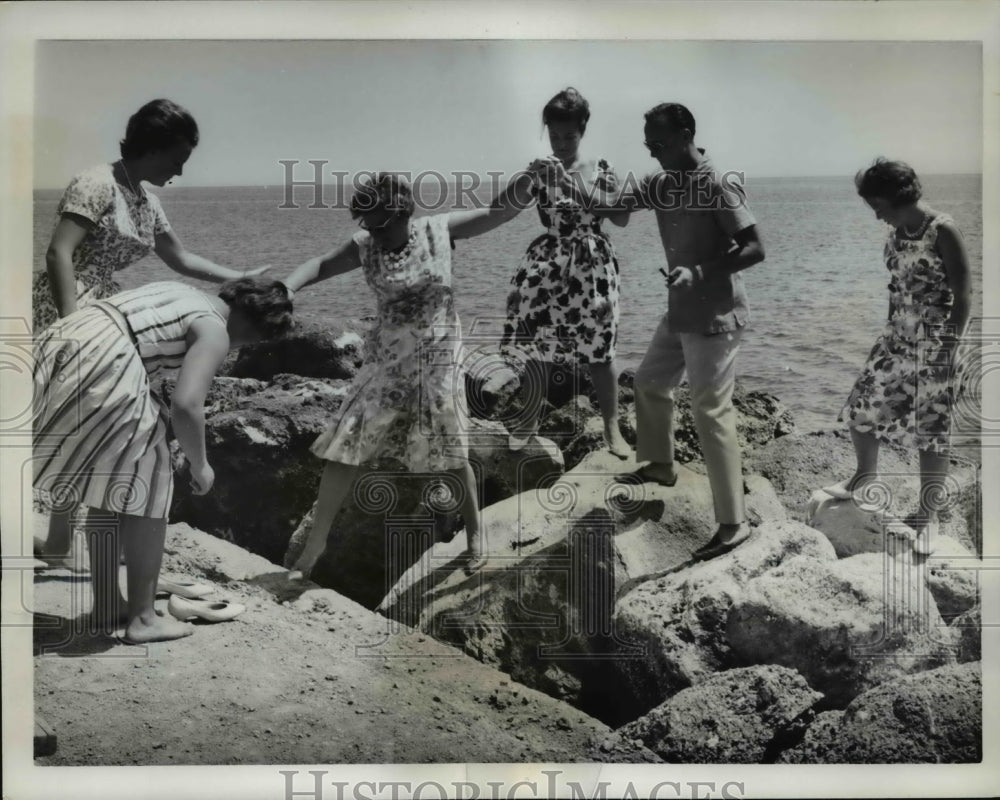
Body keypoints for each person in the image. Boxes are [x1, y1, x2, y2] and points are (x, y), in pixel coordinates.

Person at [33, 98, 268, 565]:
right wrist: (71, 322)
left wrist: (238, 277)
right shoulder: (96, 183)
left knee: (86, 424)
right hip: (72, 311)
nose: (180, 170)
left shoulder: (145, 201)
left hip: (106, 312)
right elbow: (59, 254)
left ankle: (61, 539)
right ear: (153, 147)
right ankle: (62, 538)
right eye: (178, 158)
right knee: (66, 420)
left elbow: (180, 259)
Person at [282, 172, 540, 578]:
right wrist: (288, 287)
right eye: (367, 224)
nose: (373, 233)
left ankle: (474, 535)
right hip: (388, 355)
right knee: (346, 440)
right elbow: (320, 265)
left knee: (450, 444)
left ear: (405, 212)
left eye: (380, 224)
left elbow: (498, 212)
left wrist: (528, 181)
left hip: (437, 353)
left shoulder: (438, 231)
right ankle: (315, 546)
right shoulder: (365, 245)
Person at [32, 278, 293, 642]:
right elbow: (186, 404)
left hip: (71, 338)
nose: (235, 350)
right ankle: (143, 619)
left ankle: (109, 606)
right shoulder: (216, 330)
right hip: (108, 357)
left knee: (108, 483)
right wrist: (200, 463)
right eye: (248, 343)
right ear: (252, 328)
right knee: (150, 483)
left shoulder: (184, 292)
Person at [607, 103, 765, 560]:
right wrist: (593, 189)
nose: (653, 153)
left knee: (710, 411)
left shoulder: (717, 183)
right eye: (647, 146)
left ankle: (734, 525)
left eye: (659, 144)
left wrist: (699, 271)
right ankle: (659, 465)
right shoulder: (661, 181)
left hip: (714, 315)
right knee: (650, 382)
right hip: (680, 311)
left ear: (685, 135)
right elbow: (617, 212)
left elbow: (756, 248)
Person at [825, 158, 972, 556]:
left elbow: (964, 294)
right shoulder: (896, 234)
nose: (876, 216)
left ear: (897, 198)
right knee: (860, 407)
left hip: (936, 342)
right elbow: (897, 288)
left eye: (878, 206)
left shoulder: (943, 229)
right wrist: (890, 332)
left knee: (931, 430)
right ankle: (862, 478)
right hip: (896, 338)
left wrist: (949, 347)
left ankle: (929, 515)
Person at [499, 87, 631, 458]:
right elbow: (503, 208)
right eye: (553, 135)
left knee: (600, 349)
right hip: (547, 260)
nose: (560, 143)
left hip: (593, 263)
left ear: (583, 129)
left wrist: (573, 184)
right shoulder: (541, 169)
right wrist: (526, 177)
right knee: (538, 343)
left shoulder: (601, 168)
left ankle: (611, 428)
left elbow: (620, 218)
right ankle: (528, 418)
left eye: (568, 136)